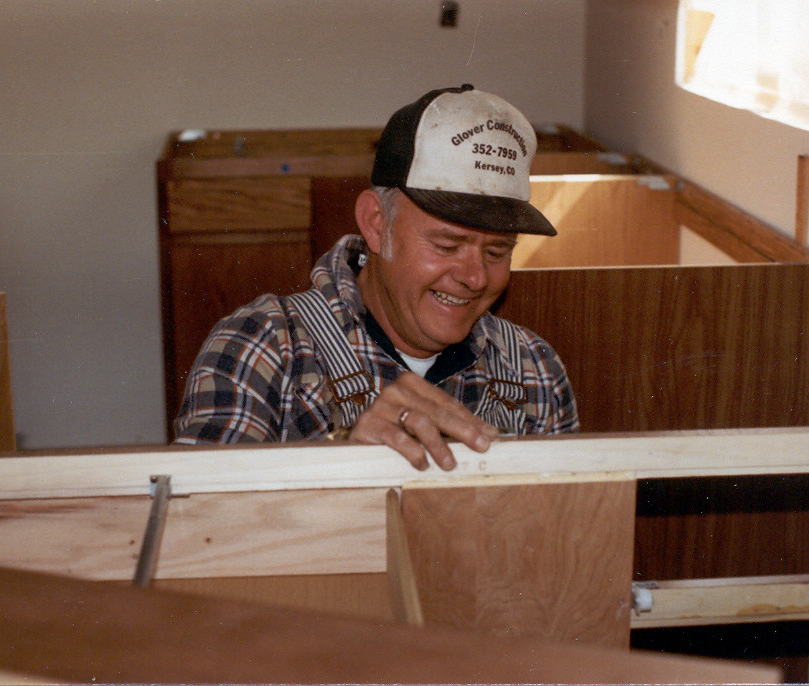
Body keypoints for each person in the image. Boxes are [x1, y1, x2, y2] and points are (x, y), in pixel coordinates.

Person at [174, 84, 579, 470]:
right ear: (375, 223)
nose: (475, 278)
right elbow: (199, 531)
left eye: (497, 251)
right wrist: (345, 461)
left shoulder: (533, 368)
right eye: (446, 245)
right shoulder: (262, 348)